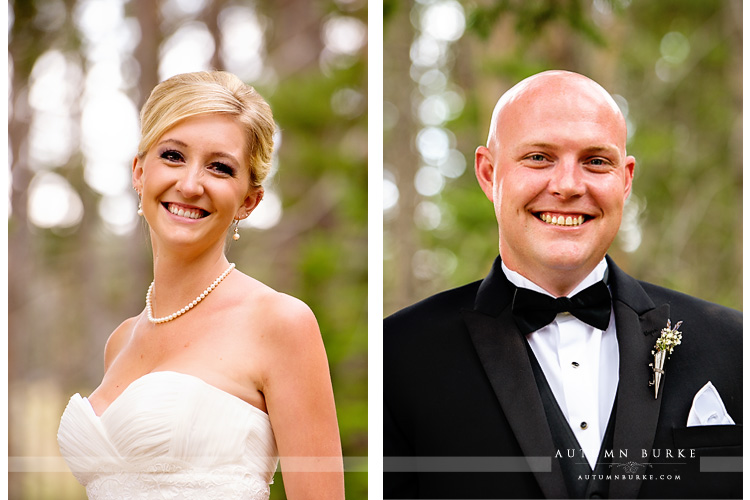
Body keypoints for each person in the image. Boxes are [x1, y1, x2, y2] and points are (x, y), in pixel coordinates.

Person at [384, 70, 741, 499]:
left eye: (596, 161)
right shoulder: (398, 355)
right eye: (539, 157)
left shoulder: (735, 345)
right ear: (488, 173)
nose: (569, 186)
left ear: (625, 180)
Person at [58, 71, 345, 500]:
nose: (191, 185)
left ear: (248, 200)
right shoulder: (120, 343)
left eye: (220, 167)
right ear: (139, 173)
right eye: (173, 156)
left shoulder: (280, 323)